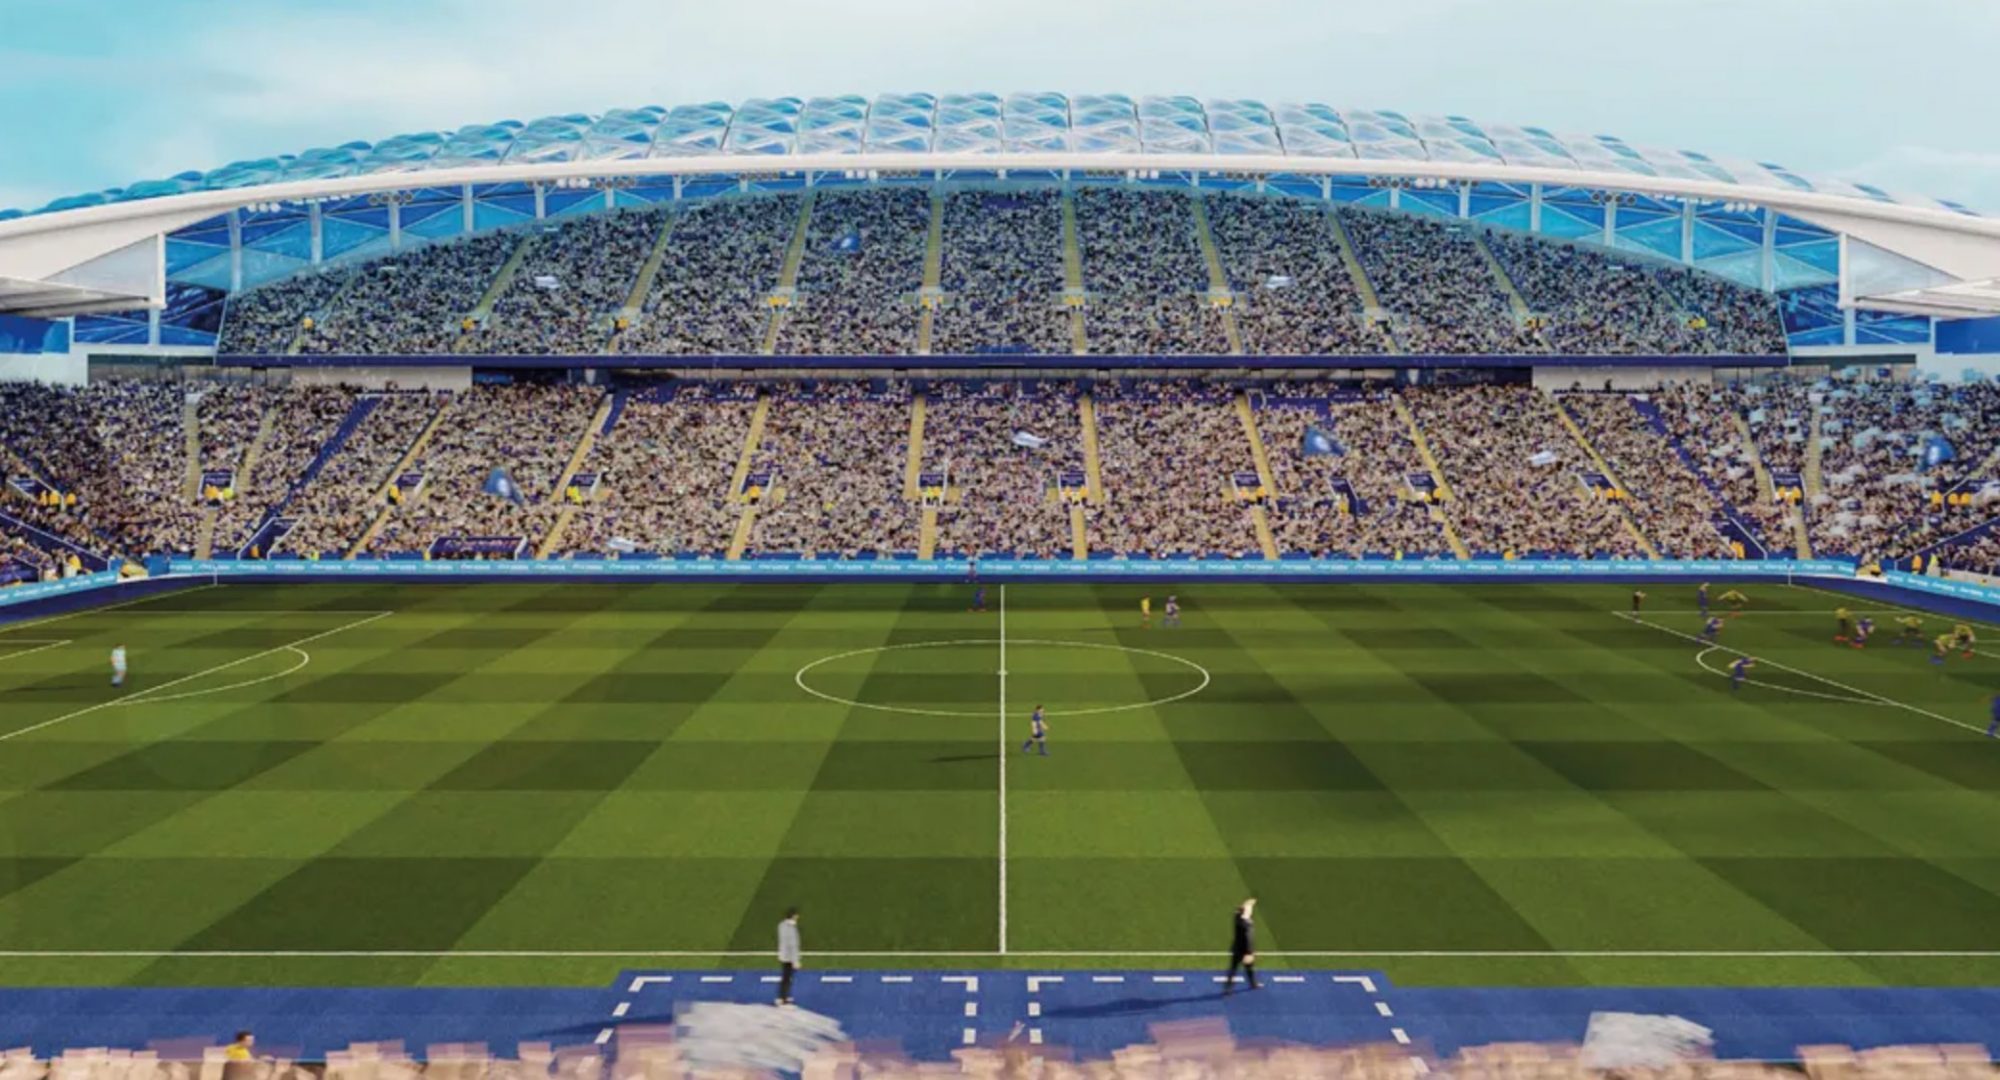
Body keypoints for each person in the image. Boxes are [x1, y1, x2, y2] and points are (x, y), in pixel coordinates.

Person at [1224, 898, 1258, 995]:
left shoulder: (1237, 918)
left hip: (1237, 948)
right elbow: (1248, 939)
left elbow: (1243, 908)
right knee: (1248, 968)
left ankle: (1228, 988)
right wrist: (1249, 953)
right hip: (1244, 951)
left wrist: (1249, 903)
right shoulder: (1246, 924)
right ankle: (1253, 984)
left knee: (1233, 969)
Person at [776, 907, 801, 1007]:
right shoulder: (791, 928)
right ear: (793, 916)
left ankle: (783, 996)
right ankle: (783, 998)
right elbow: (792, 945)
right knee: (787, 978)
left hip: (783, 955)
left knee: (786, 977)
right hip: (789, 957)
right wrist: (795, 961)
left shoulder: (781, 925)